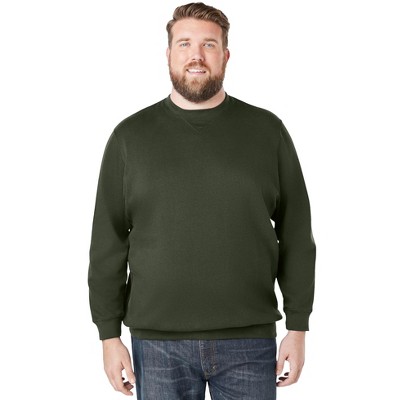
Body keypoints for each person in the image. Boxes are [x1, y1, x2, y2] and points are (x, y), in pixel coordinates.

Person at [88, 2, 316, 399]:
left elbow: (296, 234)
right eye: (185, 44)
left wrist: (297, 327)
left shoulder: (267, 132)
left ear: (225, 55)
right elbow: (108, 242)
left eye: (208, 44)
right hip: (157, 345)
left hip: (249, 341)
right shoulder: (130, 138)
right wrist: (109, 335)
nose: (196, 55)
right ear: (168, 54)